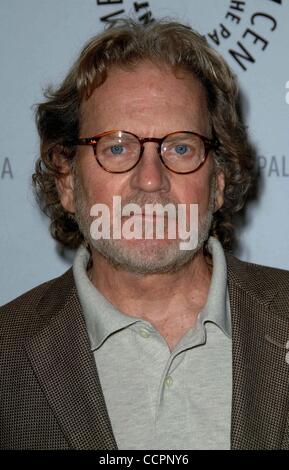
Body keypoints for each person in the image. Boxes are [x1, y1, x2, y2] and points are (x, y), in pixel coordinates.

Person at [1, 18, 289, 451]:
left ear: (219, 181)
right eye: (116, 147)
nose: (150, 180)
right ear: (66, 180)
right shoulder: (6, 353)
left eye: (181, 147)